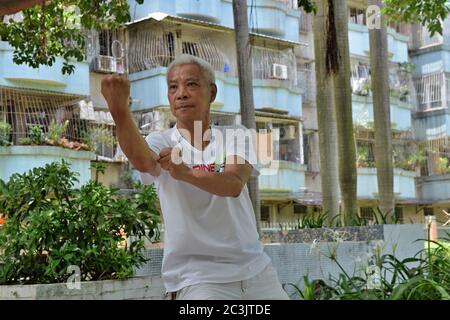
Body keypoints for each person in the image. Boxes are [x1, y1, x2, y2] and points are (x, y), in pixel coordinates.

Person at [101, 54, 289, 300]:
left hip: (256, 271)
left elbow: (233, 184)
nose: (181, 93)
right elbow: (142, 160)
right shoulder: (161, 141)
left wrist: (187, 173)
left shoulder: (235, 135)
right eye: (173, 87)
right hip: (197, 279)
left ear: (211, 93)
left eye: (191, 84)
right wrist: (119, 111)